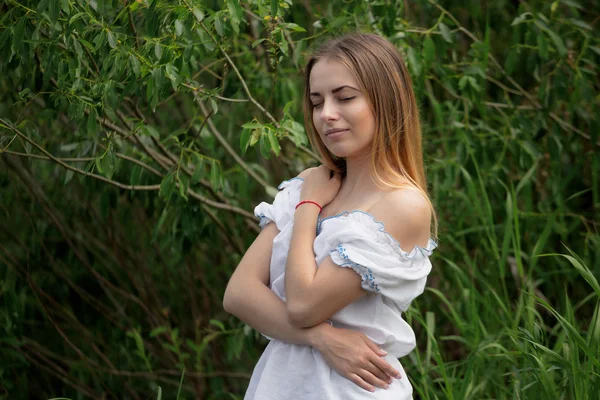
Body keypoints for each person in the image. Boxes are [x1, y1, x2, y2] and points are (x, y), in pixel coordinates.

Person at [223, 32, 438, 399]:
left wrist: (308, 210)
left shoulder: (402, 205)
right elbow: (239, 294)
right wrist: (324, 338)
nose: (327, 115)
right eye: (316, 101)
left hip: (350, 390)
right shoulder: (311, 184)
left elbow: (303, 306)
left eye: (345, 97)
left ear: (385, 101)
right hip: (280, 385)